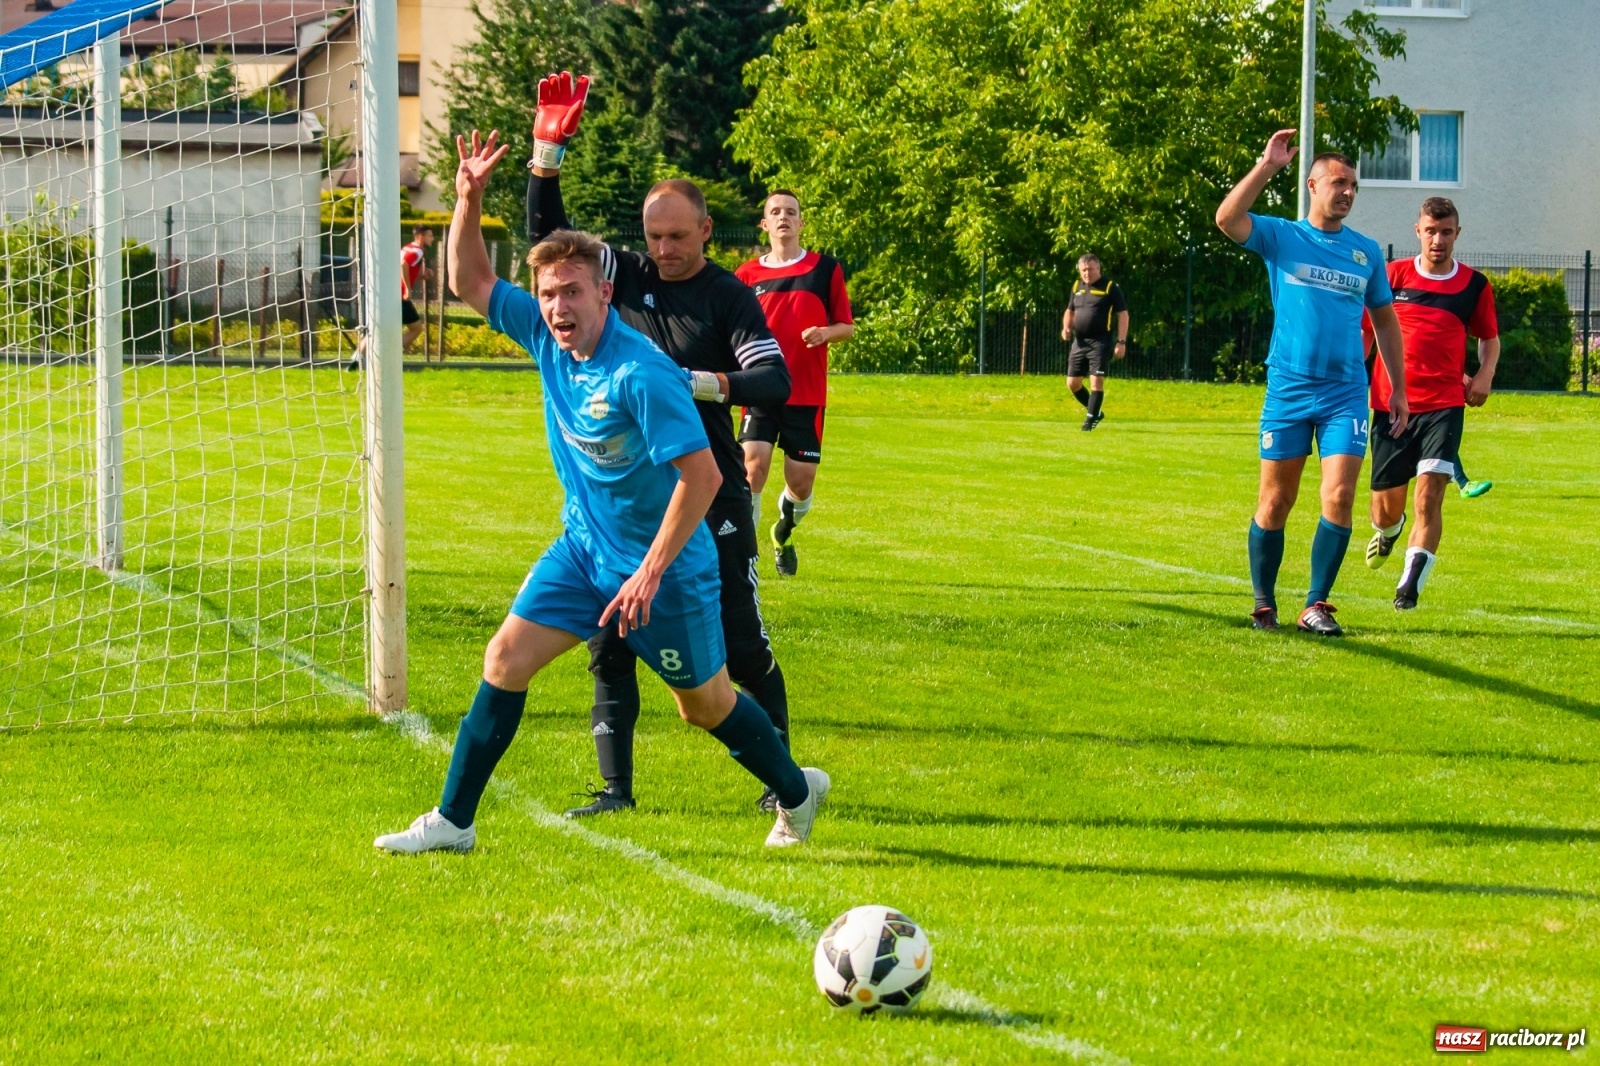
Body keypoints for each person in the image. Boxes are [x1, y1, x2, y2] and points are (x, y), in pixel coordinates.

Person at [373, 131, 828, 855]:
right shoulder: (549, 336)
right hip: (584, 550)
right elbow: (472, 282)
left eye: (572, 292)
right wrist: (468, 197)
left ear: (604, 293)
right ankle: (453, 821)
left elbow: (704, 478)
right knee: (504, 660)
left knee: (704, 707)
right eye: (549, 293)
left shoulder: (640, 374)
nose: (556, 306)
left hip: (667, 572)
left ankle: (798, 793)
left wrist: (650, 570)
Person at [524, 72, 797, 816]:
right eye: (654, 236)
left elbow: (771, 380)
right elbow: (550, 244)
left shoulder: (730, 297)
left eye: (679, 235)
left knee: (739, 645)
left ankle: (782, 785)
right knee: (610, 639)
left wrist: (689, 383)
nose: (665, 249)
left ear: (707, 231)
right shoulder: (628, 278)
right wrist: (547, 152)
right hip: (633, 498)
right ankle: (616, 790)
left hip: (709, 491)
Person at [1215, 130, 1409, 636]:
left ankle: (1315, 604)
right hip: (1289, 389)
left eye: (1353, 186)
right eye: (1338, 183)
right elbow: (1226, 220)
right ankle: (1263, 604)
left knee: (1340, 496)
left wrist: (1399, 390)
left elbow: (1386, 322)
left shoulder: (1365, 252)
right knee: (1276, 502)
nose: (1346, 192)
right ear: (1313, 185)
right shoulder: (1283, 236)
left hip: (1346, 392)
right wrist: (1264, 166)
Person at [1362, 197, 1499, 610]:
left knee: (1430, 496)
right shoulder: (1391, 275)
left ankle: (1409, 587)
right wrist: (1353, 376)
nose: (1437, 239)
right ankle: (1389, 530)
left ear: (1457, 234)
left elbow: (1488, 339)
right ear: (1417, 230)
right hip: (1391, 405)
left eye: (1445, 232)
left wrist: (1484, 375)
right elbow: (1367, 331)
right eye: (1430, 230)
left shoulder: (1475, 286)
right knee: (1386, 510)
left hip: (1444, 404)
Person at [735, 190, 855, 576]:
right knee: (752, 468)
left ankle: (783, 533)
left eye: (791, 212)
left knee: (800, 484)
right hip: (759, 388)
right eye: (775, 212)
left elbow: (847, 328)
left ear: (801, 222)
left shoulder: (826, 270)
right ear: (765, 224)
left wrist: (825, 333)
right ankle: (744, 560)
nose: (783, 217)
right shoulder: (746, 276)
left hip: (805, 393)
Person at [349, 225, 433, 371]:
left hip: (387, 294)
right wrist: (407, 288)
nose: (432, 239)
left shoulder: (406, 248)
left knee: (377, 330)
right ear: (421, 237)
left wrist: (422, 276)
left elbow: (401, 269)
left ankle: (355, 359)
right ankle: (392, 358)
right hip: (399, 297)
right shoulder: (418, 251)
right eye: (430, 236)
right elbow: (403, 264)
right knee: (416, 328)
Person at [1059, 254, 1128, 431]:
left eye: (1090, 269)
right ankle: (1096, 412)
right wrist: (1066, 327)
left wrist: (1121, 341)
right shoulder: (1077, 286)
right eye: (1083, 270)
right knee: (1072, 383)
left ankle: (1089, 422)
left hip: (1100, 341)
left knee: (1096, 381)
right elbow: (1070, 310)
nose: (1087, 273)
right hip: (1079, 342)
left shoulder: (1110, 287)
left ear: (1098, 268)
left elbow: (1123, 315)